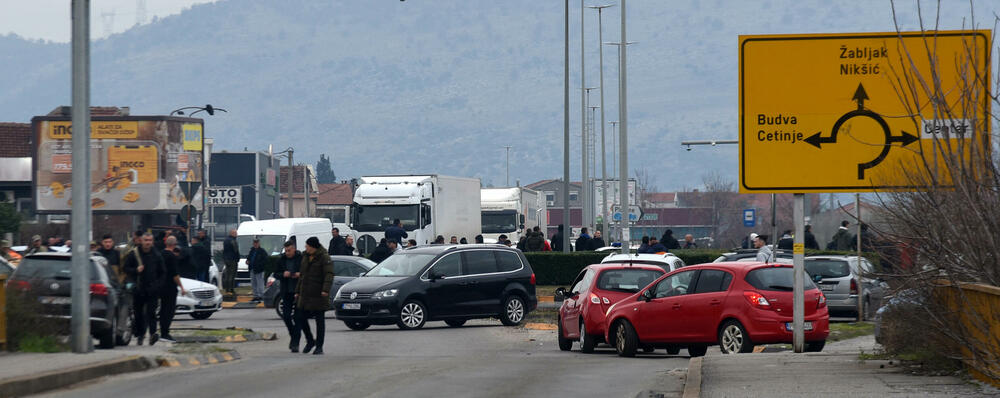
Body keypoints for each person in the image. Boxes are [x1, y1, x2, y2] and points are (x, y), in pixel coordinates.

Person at [122, 233, 167, 346]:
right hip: (139, 289)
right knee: (138, 314)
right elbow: (126, 268)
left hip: (152, 289)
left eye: (150, 240)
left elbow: (162, 273)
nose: (148, 242)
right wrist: (136, 270)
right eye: (146, 240)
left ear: (152, 242)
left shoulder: (156, 255)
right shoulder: (134, 254)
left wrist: (157, 286)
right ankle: (140, 335)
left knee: (151, 313)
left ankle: (152, 334)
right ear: (141, 241)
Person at [295, 237, 334, 355]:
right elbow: (302, 276)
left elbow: (329, 274)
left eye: (307, 246)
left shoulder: (324, 257)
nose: (305, 248)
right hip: (305, 294)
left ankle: (319, 346)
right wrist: (297, 291)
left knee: (320, 321)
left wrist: (325, 290)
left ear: (313, 247)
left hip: (318, 294)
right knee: (299, 317)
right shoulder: (305, 257)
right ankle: (310, 340)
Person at [274, 240, 302, 352]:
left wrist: (299, 275)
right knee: (286, 316)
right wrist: (283, 274)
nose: (287, 253)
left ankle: (295, 342)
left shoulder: (300, 259)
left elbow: (307, 272)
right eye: (286, 251)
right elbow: (276, 273)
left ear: (294, 249)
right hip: (286, 292)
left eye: (289, 250)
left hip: (298, 292)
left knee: (298, 318)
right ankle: (293, 335)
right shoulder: (281, 259)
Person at [159, 236, 188, 342]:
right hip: (170, 286)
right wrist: (182, 287)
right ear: (174, 245)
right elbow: (174, 274)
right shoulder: (172, 257)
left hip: (161, 285)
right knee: (169, 310)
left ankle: (162, 331)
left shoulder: (161, 254)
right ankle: (165, 333)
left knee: (163, 309)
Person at [247, 238, 269, 302]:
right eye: (254, 242)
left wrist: (260, 265)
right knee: (254, 284)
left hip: (259, 270)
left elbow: (265, 260)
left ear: (259, 243)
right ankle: (255, 296)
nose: (255, 244)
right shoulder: (252, 250)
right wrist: (247, 261)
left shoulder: (262, 251)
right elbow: (249, 258)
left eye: (256, 242)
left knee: (260, 283)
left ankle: (261, 296)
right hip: (252, 269)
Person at [222, 229, 240, 295]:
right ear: (232, 233)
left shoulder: (226, 240)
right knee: (232, 275)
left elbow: (224, 251)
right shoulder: (233, 240)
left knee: (227, 274)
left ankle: (227, 289)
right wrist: (238, 258)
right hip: (232, 259)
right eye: (235, 233)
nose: (236, 234)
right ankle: (231, 289)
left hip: (226, 259)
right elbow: (236, 250)